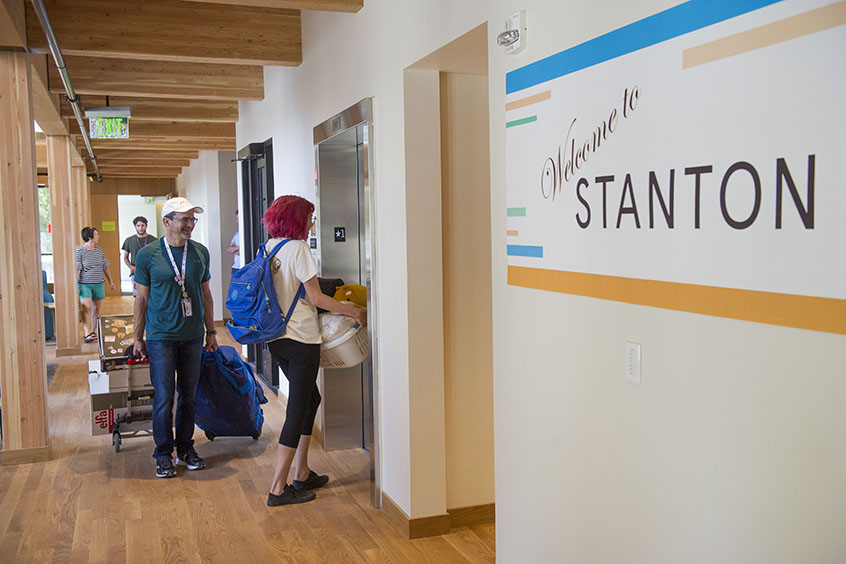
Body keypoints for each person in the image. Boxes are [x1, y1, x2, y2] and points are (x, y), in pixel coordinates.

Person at [262, 195, 366, 506]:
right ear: (297, 219)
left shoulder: (269, 248)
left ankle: (302, 472)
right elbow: (316, 299)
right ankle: (278, 488)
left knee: (311, 399)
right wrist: (353, 312)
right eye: (309, 218)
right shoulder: (299, 249)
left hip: (275, 337)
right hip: (301, 339)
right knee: (298, 408)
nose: (311, 224)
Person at [133, 197, 218, 479]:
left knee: (189, 397)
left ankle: (186, 448)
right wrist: (137, 337)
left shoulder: (200, 253)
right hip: (161, 337)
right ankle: (162, 455)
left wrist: (212, 331)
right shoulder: (148, 255)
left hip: (193, 336)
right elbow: (141, 299)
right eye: (184, 219)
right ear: (167, 221)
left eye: (193, 219)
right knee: (164, 398)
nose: (189, 225)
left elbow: (206, 294)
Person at [76, 226, 115, 343]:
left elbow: (105, 266)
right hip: (84, 283)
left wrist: (111, 281)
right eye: (96, 235)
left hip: (98, 283)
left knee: (96, 308)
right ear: (89, 237)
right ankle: (86, 332)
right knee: (86, 306)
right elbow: (78, 269)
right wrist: (74, 285)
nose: (98, 237)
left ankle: (93, 331)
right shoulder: (80, 251)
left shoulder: (99, 250)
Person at [122, 216, 157, 297]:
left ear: (146, 226)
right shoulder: (129, 240)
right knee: (138, 296)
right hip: (136, 272)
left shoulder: (154, 240)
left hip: (150, 271)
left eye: (142, 225)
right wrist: (131, 267)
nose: (140, 228)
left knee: (150, 295)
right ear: (135, 226)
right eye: (138, 226)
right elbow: (125, 257)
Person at [227, 209, 240, 277]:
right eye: (236, 218)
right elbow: (229, 249)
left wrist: (234, 249)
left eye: (238, 218)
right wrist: (239, 248)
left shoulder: (247, 234)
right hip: (236, 268)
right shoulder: (237, 234)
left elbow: (243, 252)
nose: (237, 220)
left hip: (244, 267)